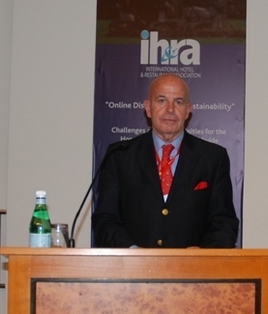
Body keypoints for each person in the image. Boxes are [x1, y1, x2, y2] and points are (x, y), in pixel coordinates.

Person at [92, 74, 239, 248]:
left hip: (193, 265)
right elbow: (105, 221)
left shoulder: (213, 157)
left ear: (188, 110)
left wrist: (201, 254)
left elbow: (224, 223)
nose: (170, 109)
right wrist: (134, 253)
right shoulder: (119, 156)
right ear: (148, 108)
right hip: (132, 264)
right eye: (161, 101)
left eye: (178, 102)